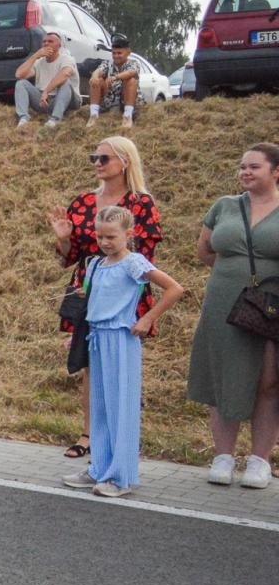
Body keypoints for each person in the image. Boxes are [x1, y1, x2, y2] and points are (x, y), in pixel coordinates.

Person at [45, 136, 161, 459]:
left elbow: (145, 258)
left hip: (124, 290)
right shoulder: (82, 202)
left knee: (121, 364)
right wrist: (65, 240)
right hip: (87, 288)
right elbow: (70, 258)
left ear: (125, 161)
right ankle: (89, 434)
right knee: (89, 363)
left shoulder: (141, 204)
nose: (97, 163)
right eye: (94, 157)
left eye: (104, 158)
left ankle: (122, 435)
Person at [61, 206, 184, 497]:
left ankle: (121, 476)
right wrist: (79, 333)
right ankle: (99, 469)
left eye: (111, 237)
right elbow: (92, 301)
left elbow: (174, 289)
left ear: (129, 235)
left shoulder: (134, 263)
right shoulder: (95, 264)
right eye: (100, 236)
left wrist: (147, 318)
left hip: (121, 337)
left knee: (121, 406)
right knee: (100, 405)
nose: (104, 242)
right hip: (97, 337)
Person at [186, 143, 279, 489]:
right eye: (242, 167)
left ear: (275, 172)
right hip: (224, 302)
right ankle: (223, 456)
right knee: (222, 377)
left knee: (268, 380)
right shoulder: (224, 206)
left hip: (271, 306)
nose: (245, 172)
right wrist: (236, 277)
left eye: (254, 167)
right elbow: (205, 251)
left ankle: (259, 460)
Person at [13, 30, 79, 129]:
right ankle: (23, 119)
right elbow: (19, 75)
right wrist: (35, 56)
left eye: (50, 41)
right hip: (45, 102)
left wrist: (46, 91)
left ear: (59, 45)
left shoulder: (67, 59)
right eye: (44, 41)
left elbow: (65, 74)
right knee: (21, 83)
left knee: (66, 83)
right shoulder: (39, 62)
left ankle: (54, 120)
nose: (46, 43)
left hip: (68, 99)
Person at [87, 34, 144, 128]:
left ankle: (127, 116)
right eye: (114, 53)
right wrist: (94, 77)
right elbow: (99, 71)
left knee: (131, 80)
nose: (116, 56)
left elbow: (131, 72)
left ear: (128, 52)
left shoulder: (134, 63)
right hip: (109, 100)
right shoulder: (107, 63)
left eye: (119, 53)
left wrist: (115, 77)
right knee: (97, 80)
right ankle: (93, 115)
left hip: (125, 100)